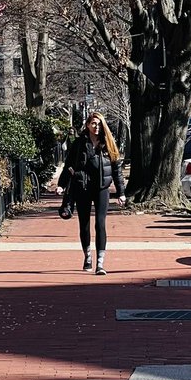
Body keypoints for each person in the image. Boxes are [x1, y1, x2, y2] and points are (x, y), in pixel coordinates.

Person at [57, 110, 126, 274]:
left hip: (102, 188)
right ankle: (88, 255)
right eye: (93, 123)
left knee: (100, 224)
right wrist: (61, 184)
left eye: (99, 124)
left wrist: (121, 192)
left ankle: (100, 263)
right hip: (82, 187)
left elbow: (117, 170)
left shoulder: (108, 143)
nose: (96, 127)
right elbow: (69, 165)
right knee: (85, 225)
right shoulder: (79, 143)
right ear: (88, 125)